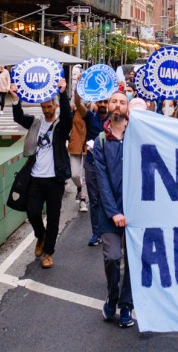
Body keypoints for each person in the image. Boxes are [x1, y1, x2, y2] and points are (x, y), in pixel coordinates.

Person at [10, 78, 72, 269]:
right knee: (32, 211)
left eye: (49, 107)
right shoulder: (36, 123)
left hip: (55, 179)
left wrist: (62, 93)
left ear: (54, 106)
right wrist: (15, 99)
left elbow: (69, 116)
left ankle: (48, 253)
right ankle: (40, 235)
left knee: (54, 217)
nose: (46, 110)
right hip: (36, 178)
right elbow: (19, 118)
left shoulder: (61, 126)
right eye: (43, 107)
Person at [94, 91, 135, 328]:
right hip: (111, 213)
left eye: (122, 102)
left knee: (132, 261)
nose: (117, 105)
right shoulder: (101, 140)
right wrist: (114, 212)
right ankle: (112, 295)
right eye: (114, 101)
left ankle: (127, 305)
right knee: (112, 257)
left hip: (136, 210)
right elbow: (101, 180)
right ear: (107, 106)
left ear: (127, 108)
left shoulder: (137, 135)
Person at [75, 91, 110, 247]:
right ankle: (96, 233)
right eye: (100, 102)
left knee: (106, 199)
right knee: (94, 200)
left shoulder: (115, 118)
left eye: (105, 102)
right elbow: (77, 104)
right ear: (96, 103)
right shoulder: (90, 116)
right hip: (91, 163)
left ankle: (109, 231)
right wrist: (78, 87)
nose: (102, 105)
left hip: (110, 165)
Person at [67, 106, 89, 212]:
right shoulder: (74, 109)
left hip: (88, 145)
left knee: (84, 175)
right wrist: (71, 110)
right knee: (74, 174)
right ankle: (79, 188)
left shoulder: (92, 110)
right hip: (75, 144)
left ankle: (83, 200)